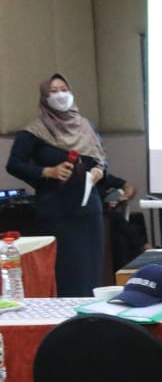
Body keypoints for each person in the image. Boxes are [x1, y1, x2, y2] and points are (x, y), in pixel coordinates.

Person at [6, 74, 131, 296]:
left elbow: (100, 159)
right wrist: (47, 171)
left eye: (64, 89)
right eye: (53, 91)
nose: (60, 95)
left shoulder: (85, 126)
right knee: (67, 274)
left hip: (89, 210)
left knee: (91, 272)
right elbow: (14, 165)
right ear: (44, 98)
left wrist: (98, 172)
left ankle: (90, 323)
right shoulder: (34, 131)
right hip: (57, 211)